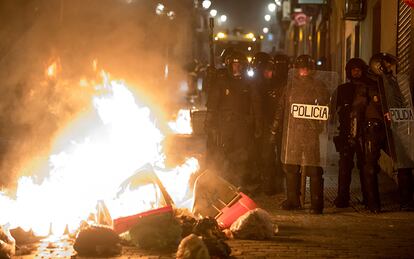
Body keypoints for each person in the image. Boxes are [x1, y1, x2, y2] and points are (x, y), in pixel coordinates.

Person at [273, 55, 332, 214]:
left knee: (313, 168)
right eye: (301, 68)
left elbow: (325, 104)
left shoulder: (319, 85)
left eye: (306, 68)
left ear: (311, 69)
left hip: (310, 132)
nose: (304, 71)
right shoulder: (290, 86)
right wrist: (274, 128)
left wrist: (319, 123)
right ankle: (293, 200)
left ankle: (316, 203)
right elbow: (281, 108)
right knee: (291, 166)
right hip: (293, 131)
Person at [205, 50, 261, 189]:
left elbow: (256, 103)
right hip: (224, 124)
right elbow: (212, 102)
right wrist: (209, 122)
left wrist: (258, 124)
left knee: (241, 154)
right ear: (229, 65)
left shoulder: (248, 82)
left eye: (240, 65)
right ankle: (222, 183)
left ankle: (238, 183)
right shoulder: (222, 80)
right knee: (222, 153)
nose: (237, 68)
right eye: (235, 65)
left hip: (242, 124)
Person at [368, 52, 414, 211]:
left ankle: (406, 201)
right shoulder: (372, 83)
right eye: (386, 64)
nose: (389, 67)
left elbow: (404, 102)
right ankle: (372, 203)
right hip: (377, 128)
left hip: (399, 126)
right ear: (378, 66)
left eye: (389, 63)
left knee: (405, 164)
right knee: (370, 165)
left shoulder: (397, 81)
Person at [333, 58, 371, 208]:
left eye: (359, 69)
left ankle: (368, 198)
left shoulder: (369, 88)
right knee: (344, 166)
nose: (356, 72)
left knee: (365, 166)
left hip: (364, 133)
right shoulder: (342, 89)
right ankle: (342, 198)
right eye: (353, 69)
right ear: (349, 71)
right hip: (345, 132)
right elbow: (332, 108)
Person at [250, 52, 288, 195]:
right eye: (267, 71)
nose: (269, 74)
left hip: (277, 126)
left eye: (271, 71)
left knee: (277, 157)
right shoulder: (258, 85)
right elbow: (256, 107)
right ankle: (268, 186)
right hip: (265, 126)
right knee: (266, 157)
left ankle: (276, 186)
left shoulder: (277, 84)